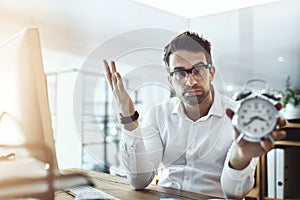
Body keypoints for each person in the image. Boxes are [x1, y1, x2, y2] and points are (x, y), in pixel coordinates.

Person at [103, 31, 287, 199]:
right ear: (170, 80)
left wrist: (240, 157)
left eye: (198, 70)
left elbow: (233, 194)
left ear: (212, 72)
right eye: (180, 73)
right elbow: (139, 181)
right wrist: (128, 118)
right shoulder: (158, 114)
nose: (190, 81)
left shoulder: (238, 117)